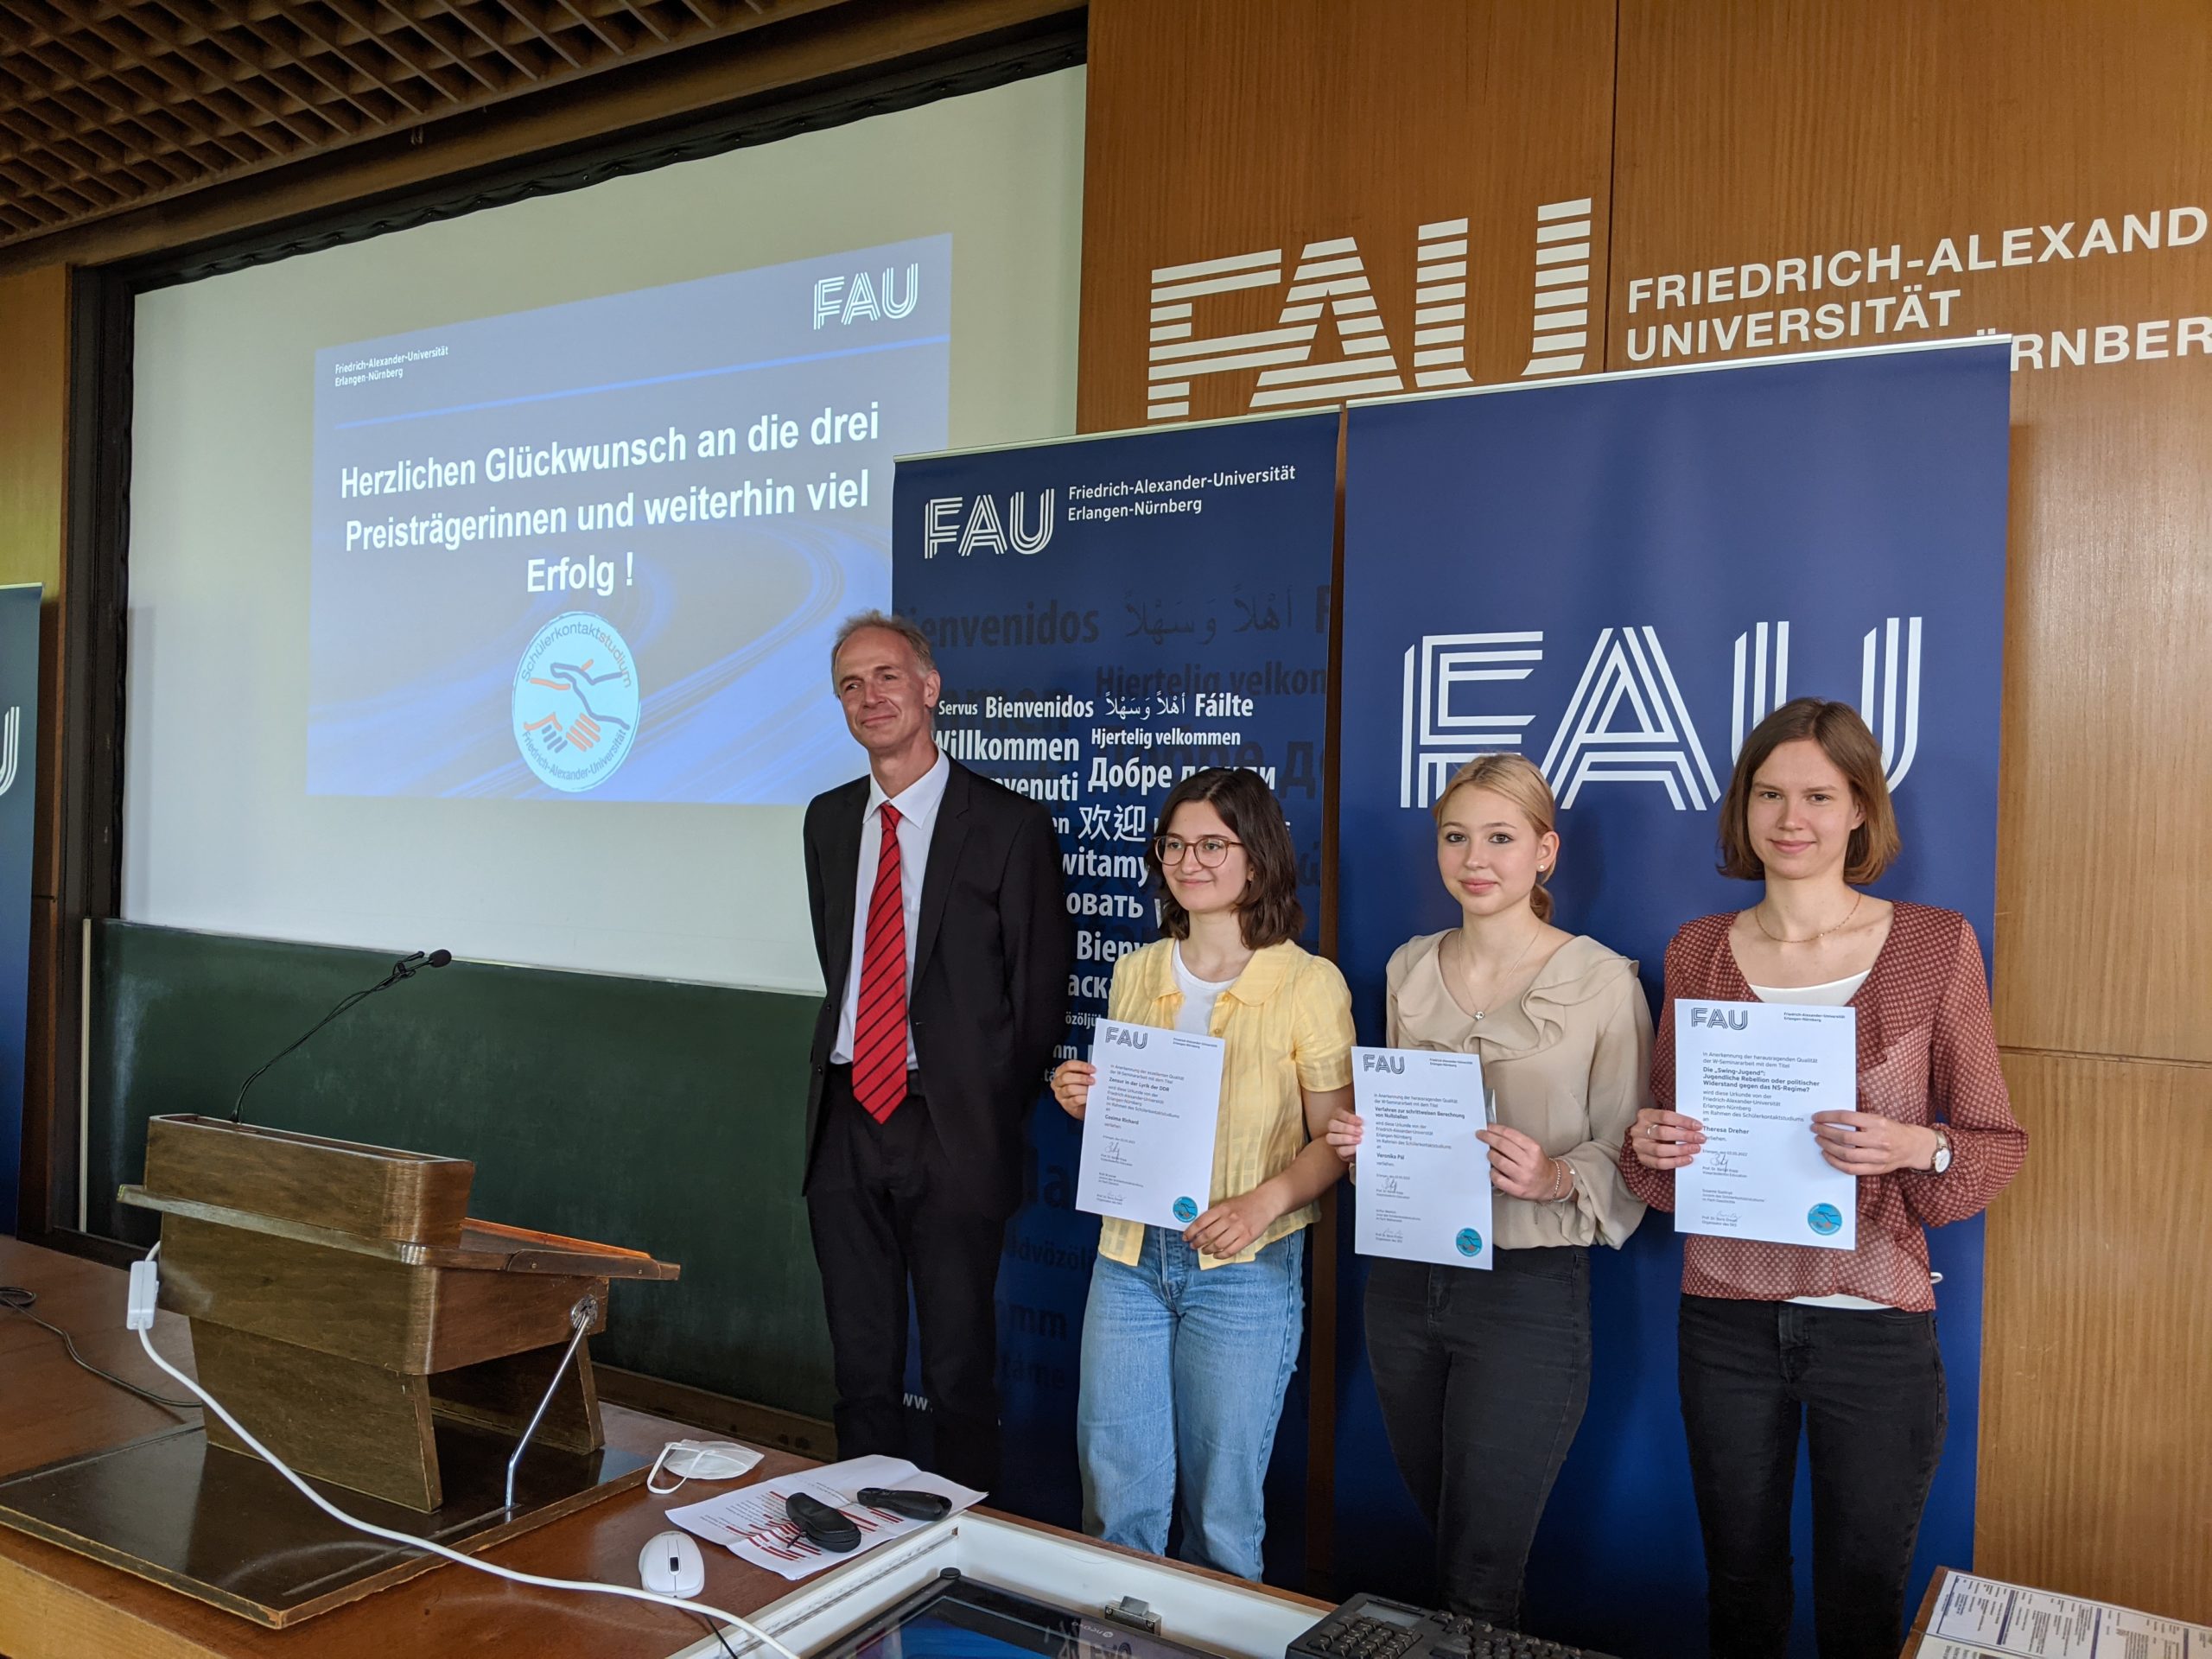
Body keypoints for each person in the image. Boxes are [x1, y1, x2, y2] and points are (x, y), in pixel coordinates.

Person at [1622, 697, 2027, 1659]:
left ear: (1860, 810)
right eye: (1767, 794)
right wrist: (1653, 1146)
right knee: (1740, 1593)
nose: (1789, 818)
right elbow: (1668, 1168)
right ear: (1742, 808)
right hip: (1723, 1318)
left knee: (1860, 1602)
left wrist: (1914, 1147)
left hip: (1874, 1331)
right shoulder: (1695, 952)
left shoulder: (1936, 945)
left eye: (1817, 794)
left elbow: (1990, 1143)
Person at [1326, 753, 1649, 1628]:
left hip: (1528, 1297)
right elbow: (1396, 1126)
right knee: (1447, 1539)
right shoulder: (1407, 970)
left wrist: (1552, 1174)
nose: (1476, 856)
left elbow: (1631, 1150)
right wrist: (1363, 1144)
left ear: (1544, 852)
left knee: (1478, 1570)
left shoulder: (1603, 982)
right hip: (1403, 1286)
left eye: (1501, 837)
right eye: (1456, 835)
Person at [1049, 766, 1352, 1581]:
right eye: (1175, 844)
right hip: (1128, 1260)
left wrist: (1263, 1203)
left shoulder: (1308, 983)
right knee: (1117, 1504)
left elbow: (1334, 1140)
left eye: (1213, 843)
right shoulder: (1138, 970)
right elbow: (1133, 1113)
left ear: (1255, 857)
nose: (1191, 860)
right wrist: (1085, 1097)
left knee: (1222, 1518)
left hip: (1244, 1271)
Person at [800, 611, 1071, 1493]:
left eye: (885, 676)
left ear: (928, 687)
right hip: (845, 1115)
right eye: (850, 684)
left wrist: (979, 1102)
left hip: (951, 1125)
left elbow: (1036, 998)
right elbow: (839, 962)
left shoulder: (1007, 825)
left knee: (958, 1369)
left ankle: (965, 1553)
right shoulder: (829, 822)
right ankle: (860, 1547)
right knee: (860, 1364)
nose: (868, 697)